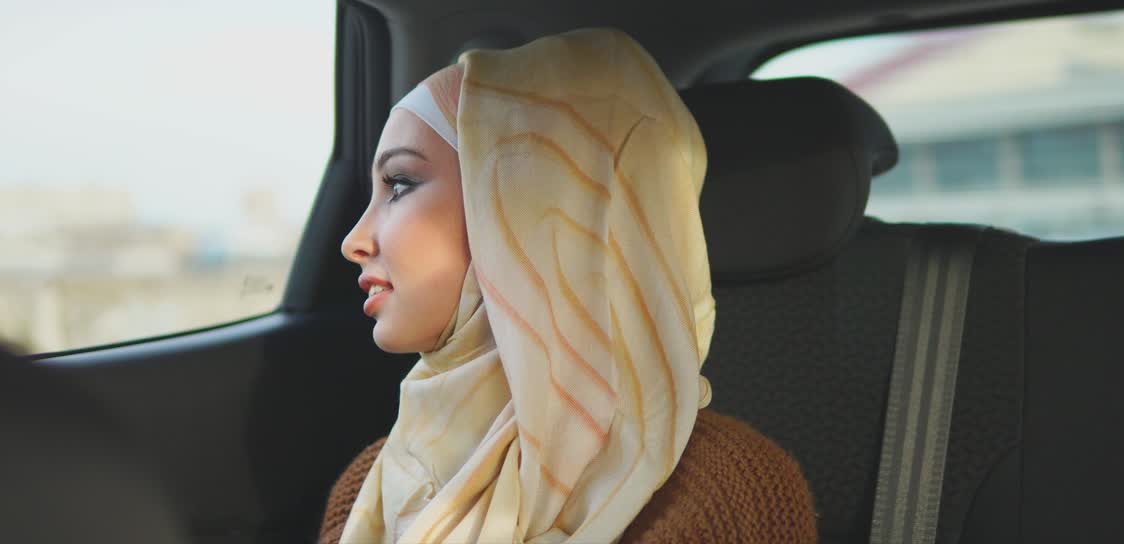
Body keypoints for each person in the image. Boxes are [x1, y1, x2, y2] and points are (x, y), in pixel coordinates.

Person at [322, 29, 817, 543]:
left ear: (534, 207)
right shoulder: (373, 479)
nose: (353, 240)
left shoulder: (726, 493)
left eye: (400, 184)